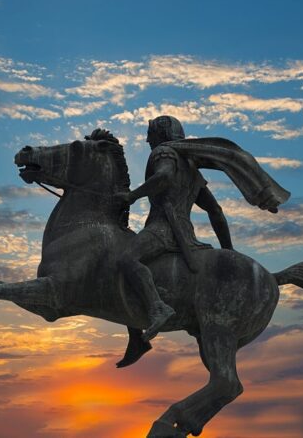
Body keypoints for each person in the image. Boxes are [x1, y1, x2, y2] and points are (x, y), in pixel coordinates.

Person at [114, 115, 290, 368]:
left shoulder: (164, 153)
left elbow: (162, 179)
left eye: (149, 133)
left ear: (162, 134)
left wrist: (132, 196)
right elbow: (215, 211)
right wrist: (229, 250)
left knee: (125, 259)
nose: (146, 139)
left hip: (163, 230)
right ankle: (136, 339)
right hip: (187, 236)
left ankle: (157, 309)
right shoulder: (191, 170)